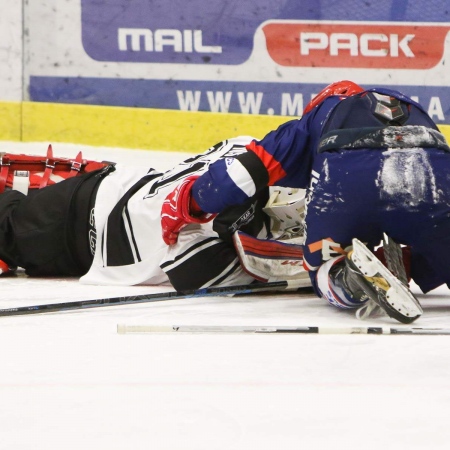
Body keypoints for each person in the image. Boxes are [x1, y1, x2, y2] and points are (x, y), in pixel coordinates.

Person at [162, 80, 450, 323]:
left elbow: (243, 174)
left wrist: (190, 200)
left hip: (348, 181)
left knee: (322, 267)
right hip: (435, 176)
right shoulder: (412, 108)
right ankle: (409, 263)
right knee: (439, 243)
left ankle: (348, 278)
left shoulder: (316, 117)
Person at [0, 137, 309, 291]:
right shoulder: (210, 243)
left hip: (105, 191)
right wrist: (305, 269)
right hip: (73, 230)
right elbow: (194, 271)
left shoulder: (246, 147)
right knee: (8, 228)